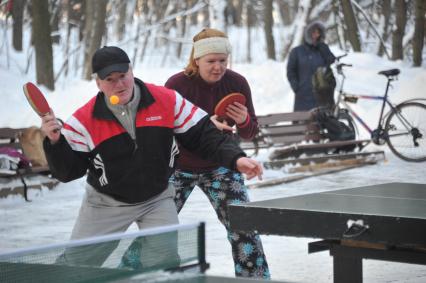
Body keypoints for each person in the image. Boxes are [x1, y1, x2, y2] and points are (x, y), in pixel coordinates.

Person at [40, 46, 263, 267]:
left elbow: (204, 134)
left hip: (156, 198)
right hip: (106, 203)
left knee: (163, 262)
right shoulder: (83, 121)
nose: (119, 84)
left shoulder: (166, 100)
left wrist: (236, 159)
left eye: (123, 76)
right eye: (110, 79)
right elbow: (68, 172)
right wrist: (55, 143)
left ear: (131, 71)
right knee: (79, 264)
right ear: (98, 83)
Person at [164, 28, 270, 279]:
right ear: (196, 60)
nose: (218, 67)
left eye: (223, 60)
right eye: (211, 61)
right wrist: (201, 125)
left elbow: (250, 132)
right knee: (155, 230)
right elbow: (162, 131)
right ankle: (131, 275)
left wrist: (244, 120)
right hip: (179, 167)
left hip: (222, 167)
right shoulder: (176, 85)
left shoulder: (237, 83)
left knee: (244, 228)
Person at [287, 21, 336, 111]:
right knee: (302, 123)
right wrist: (296, 87)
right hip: (303, 96)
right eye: (313, 32)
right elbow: (291, 71)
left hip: (323, 96)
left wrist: (324, 49)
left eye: (318, 33)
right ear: (308, 34)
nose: (316, 35)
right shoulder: (297, 51)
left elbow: (331, 64)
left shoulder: (323, 49)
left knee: (325, 123)